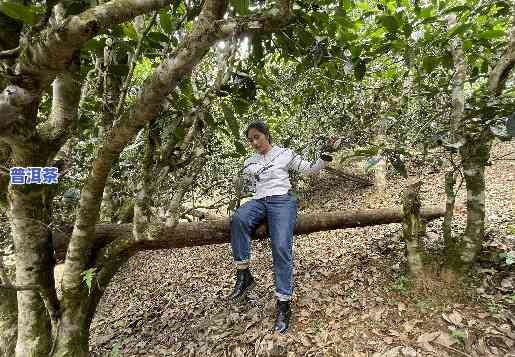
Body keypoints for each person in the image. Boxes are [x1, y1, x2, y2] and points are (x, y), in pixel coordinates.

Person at [228, 121, 333, 333]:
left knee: (281, 247)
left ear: (266, 135)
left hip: (282, 200)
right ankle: (244, 274)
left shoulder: (285, 153)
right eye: (250, 140)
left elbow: (310, 169)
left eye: (257, 137)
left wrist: (325, 156)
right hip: (259, 201)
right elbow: (248, 187)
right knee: (238, 218)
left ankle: (284, 304)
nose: (254, 142)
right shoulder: (250, 162)